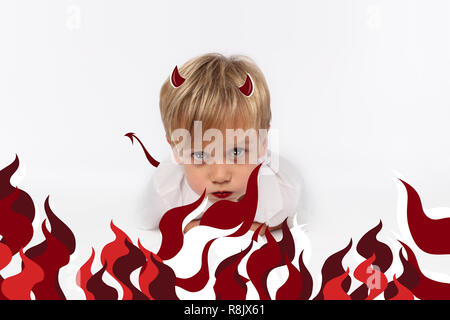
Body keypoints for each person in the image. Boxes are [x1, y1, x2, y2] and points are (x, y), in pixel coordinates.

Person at [138, 53, 304, 235]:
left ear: (263, 143)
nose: (220, 176)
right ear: (176, 150)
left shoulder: (283, 192)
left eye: (236, 151)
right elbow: (156, 221)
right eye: (200, 155)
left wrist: (259, 227)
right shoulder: (166, 192)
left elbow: (292, 218)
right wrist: (191, 225)